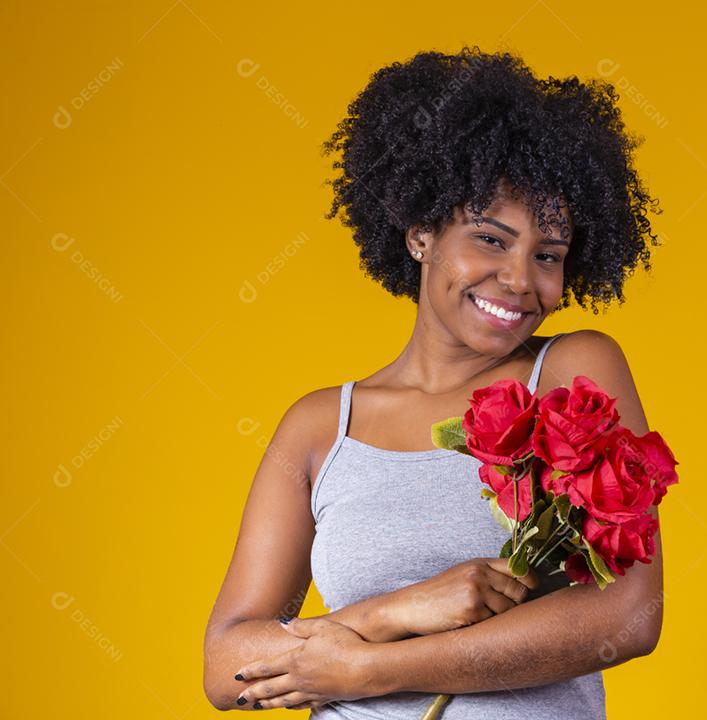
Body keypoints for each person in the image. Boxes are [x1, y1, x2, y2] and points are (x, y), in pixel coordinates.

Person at [203, 45, 666, 718]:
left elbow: (627, 617)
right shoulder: (319, 426)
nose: (520, 279)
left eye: (548, 255)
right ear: (421, 232)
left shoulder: (571, 371)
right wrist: (398, 611)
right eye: (490, 239)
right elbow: (226, 666)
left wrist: (369, 668)